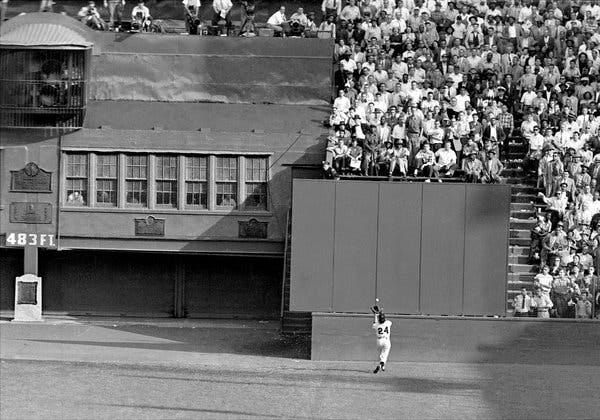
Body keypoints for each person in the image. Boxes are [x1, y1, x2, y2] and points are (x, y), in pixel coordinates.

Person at [371, 308, 392, 374]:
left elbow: (375, 323)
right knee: (384, 354)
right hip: (386, 340)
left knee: (381, 354)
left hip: (379, 341)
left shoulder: (377, 325)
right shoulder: (388, 323)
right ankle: (381, 364)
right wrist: (380, 312)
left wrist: (375, 314)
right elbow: (384, 319)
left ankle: (383, 366)